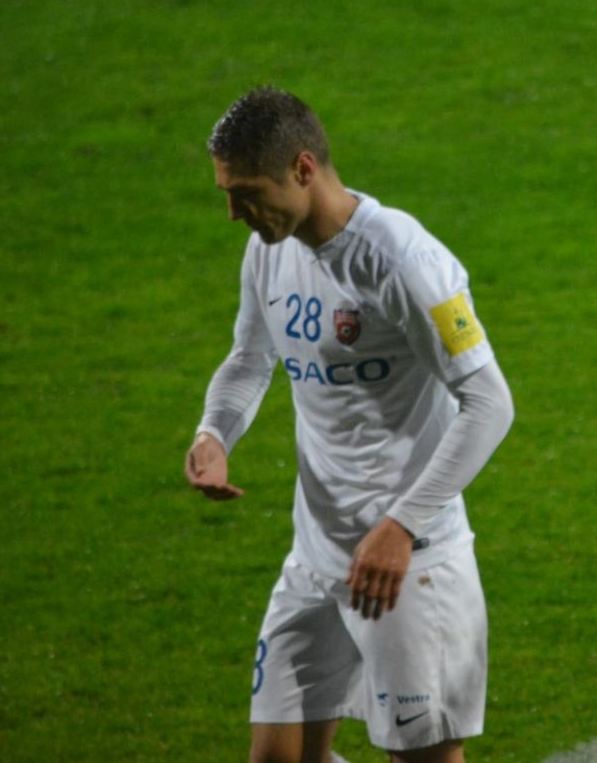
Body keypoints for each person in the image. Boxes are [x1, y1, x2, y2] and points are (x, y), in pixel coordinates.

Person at [185, 86, 514, 763]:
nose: (233, 214)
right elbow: (249, 357)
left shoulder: (404, 260)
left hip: (408, 565)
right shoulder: (270, 248)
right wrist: (213, 434)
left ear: (302, 169)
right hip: (316, 556)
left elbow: (490, 401)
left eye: (246, 194)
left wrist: (401, 525)